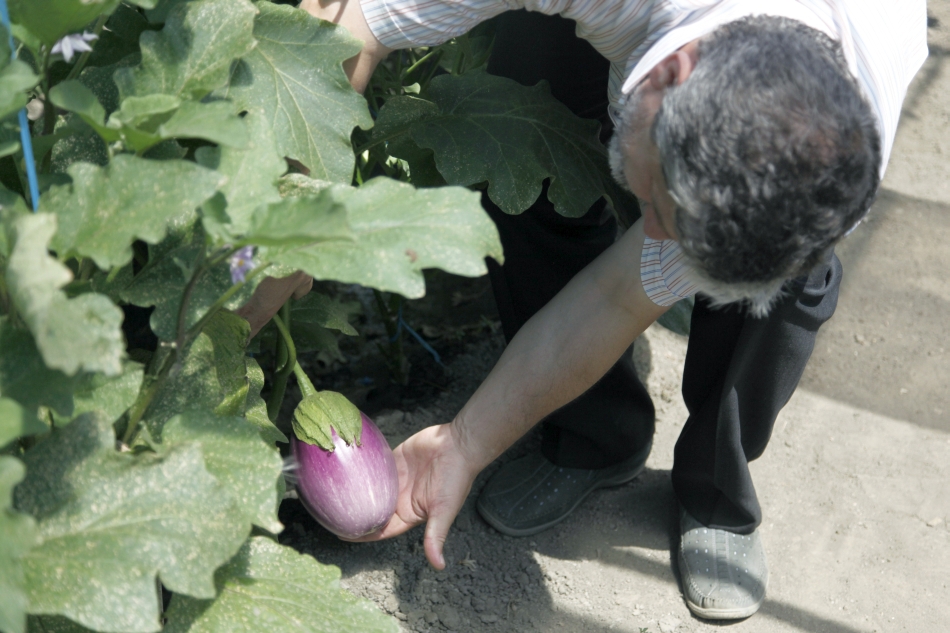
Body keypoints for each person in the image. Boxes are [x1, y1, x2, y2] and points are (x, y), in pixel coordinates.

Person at [241, 0, 927, 620]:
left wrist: (466, 443)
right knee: (534, 149)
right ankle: (595, 437)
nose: (648, 232)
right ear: (672, 75)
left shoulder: (847, 135)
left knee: (781, 296)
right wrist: (296, 222)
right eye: (659, 207)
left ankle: (715, 492)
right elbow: (346, 28)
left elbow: (618, 295)